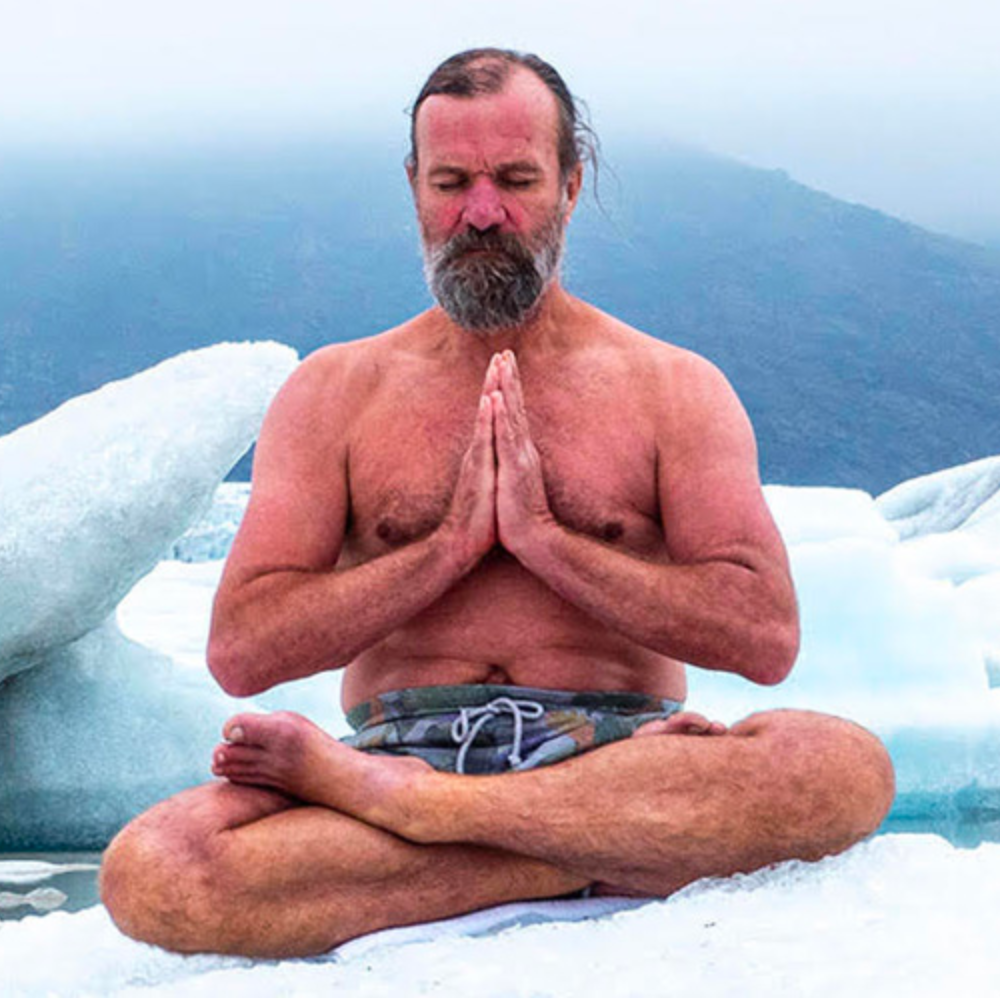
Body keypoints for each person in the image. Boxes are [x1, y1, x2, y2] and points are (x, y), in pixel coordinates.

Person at [99, 48, 894, 958]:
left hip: (614, 760)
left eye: (516, 181)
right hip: (410, 759)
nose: (482, 213)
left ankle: (441, 819)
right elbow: (243, 651)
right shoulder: (335, 393)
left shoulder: (673, 388)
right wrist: (444, 549)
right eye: (452, 184)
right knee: (157, 869)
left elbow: (764, 637)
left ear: (570, 185)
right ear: (414, 187)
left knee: (842, 767)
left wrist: (549, 543)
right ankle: (584, 855)